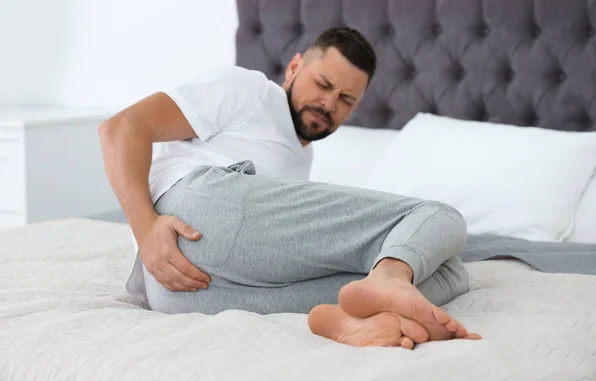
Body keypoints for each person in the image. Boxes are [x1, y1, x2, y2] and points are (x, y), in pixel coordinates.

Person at [99, 26, 481, 349]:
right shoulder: (249, 90)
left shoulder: (299, 163)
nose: (329, 102)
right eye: (323, 83)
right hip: (189, 217)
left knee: (450, 273)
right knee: (434, 216)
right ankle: (391, 277)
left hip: (175, 293)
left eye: (346, 99)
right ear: (295, 67)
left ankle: (361, 321)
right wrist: (145, 227)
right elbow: (121, 128)